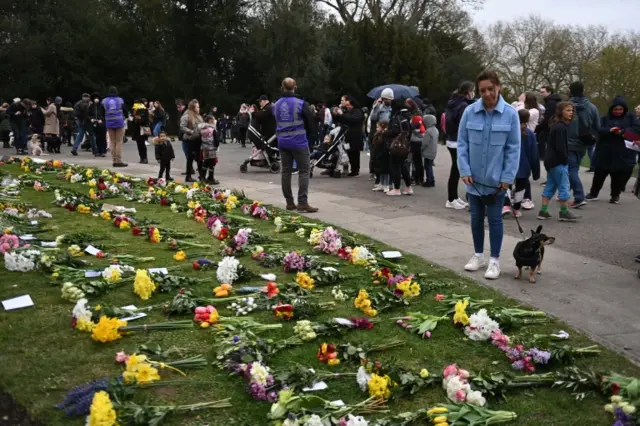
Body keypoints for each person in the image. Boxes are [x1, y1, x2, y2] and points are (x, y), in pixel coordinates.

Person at [457, 69, 520, 280]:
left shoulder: (510, 114)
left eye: (490, 89)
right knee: (475, 219)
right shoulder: (469, 112)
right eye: (482, 90)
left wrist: (507, 178)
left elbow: (513, 148)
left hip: (496, 182)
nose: (486, 94)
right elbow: (462, 143)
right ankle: (478, 255)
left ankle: (494, 260)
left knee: (495, 220)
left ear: (498, 87)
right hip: (473, 180)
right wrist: (464, 169)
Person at [274, 77, 318, 213]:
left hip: (282, 142)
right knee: (304, 171)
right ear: (295, 87)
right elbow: (310, 122)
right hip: (299, 141)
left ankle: (289, 202)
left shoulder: (276, 105)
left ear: (282, 87)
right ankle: (302, 203)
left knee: (286, 172)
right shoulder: (300, 103)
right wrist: (310, 139)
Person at [585, 96, 637, 204]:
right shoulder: (605, 118)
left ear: (624, 109)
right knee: (599, 174)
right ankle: (593, 193)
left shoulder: (631, 118)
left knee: (618, 175)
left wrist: (622, 132)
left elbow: (636, 130)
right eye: (615, 109)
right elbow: (598, 129)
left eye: (620, 109)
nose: (618, 112)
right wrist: (610, 130)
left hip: (622, 151)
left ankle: (615, 195)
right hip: (605, 151)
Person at [537, 102, 580, 222]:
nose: (571, 112)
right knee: (564, 186)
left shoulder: (556, 126)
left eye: (572, 110)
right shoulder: (561, 127)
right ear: (561, 112)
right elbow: (560, 147)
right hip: (558, 162)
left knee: (551, 185)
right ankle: (564, 212)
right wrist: (565, 160)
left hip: (550, 162)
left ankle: (543, 211)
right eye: (567, 110)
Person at [502, 109, 540, 217]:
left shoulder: (509, 131)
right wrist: (535, 171)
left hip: (509, 163)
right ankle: (516, 208)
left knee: (506, 185)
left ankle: (505, 205)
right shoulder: (530, 134)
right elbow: (534, 154)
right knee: (521, 188)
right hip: (524, 166)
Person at [567, 81, 599, 208]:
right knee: (574, 169)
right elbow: (597, 126)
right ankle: (566, 192)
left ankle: (579, 197)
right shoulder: (592, 107)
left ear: (570, 91)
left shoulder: (566, 107)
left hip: (568, 142)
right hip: (583, 142)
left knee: (571, 170)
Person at [445, 81, 475, 210]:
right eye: (473, 91)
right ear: (468, 92)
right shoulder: (463, 105)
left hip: (451, 139)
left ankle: (454, 197)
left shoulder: (453, 102)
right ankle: (451, 199)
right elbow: (464, 125)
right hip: (457, 140)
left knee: (455, 170)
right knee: (456, 171)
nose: (474, 94)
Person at [385, 99, 413, 196]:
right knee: (403, 166)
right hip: (405, 144)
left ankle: (396, 189)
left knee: (396, 166)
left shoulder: (397, 117)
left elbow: (394, 131)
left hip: (396, 145)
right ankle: (408, 187)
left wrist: (386, 132)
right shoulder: (408, 115)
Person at [332, 94, 364, 177]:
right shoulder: (346, 111)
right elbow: (340, 120)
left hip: (355, 135)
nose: (341, 102)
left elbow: (353, 120)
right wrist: (336, 114)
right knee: (348, 152)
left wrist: (342, 114)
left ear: (348, 101)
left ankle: (355, 170)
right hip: (346, 135)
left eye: (342, 100)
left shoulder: (357, 111)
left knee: (354, 153)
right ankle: (347, 169)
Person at [102, 86, 128, 167]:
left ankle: (114, 160)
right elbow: (125, 110)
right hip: (119, 122)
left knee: (112, 142)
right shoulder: (120, 100)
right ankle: (118, 161)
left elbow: (102, 112)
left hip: (109, 122)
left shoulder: (104, 101)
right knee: (119, 141)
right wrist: (125, 117)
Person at [180, 99, 204, 182]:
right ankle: (188, 176)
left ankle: (201, 176)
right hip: (189, 140)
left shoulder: (199, 116)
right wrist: (191, 132)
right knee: (190, 159)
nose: (199, 108)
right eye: (197, 107)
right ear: (193, 107)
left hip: (198, 140)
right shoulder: (186, 116)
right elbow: (182, 127)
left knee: (199, 159)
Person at [407, 98, 425, 185]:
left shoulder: (416, 115)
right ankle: (418, 178)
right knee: (417, 160)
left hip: (415, 140)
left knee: (415, 160)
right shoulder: (417, 113)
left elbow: (416, 127)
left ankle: (416, 177)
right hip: (417, 139)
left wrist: (412, 127)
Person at [199, 115, 219, 184]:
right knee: (212, 163)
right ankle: (211, 178)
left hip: (205, 148)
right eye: (213, 120)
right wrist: (217, 146)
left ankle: (202, 177)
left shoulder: (202, 129)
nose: (214, 121)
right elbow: (216, 140)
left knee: (205, 162)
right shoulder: (212, 129)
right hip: (212, 148)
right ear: (210, 121)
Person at [372, 121, 391, 192]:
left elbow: (383, 144)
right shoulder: (378, 134)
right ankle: (381, 183)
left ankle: (386, 185)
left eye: (378, 127)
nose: (376, 129)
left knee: (385, 171)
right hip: (379, 153)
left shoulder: (385, 134)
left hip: (384, 154)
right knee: (380, 170)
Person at [87, 92, 106, 157]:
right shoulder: (91, 106)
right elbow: (88, 115)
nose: (96, 99)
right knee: (97, 138)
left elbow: (104, 114)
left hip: (102, 124)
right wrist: (91, 119)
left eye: (97, 98)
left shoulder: (102, 106)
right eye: (95, 98)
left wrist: (102, 119)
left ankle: (103, 151)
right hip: (94, 124)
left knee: (102, 138)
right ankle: (97, 151)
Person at [131, 99, 150, 163]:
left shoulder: (144, 109)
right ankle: (141, 157)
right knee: (138, 144)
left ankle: (145, 158)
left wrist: (138, 118)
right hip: (136, 129)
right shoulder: (134, 110)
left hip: (142, 129)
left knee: (142, 144)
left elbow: (144, 119)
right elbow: (133, 120)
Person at [421, 114, 438, 187]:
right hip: (433, 151)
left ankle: (429, 181)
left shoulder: (428, 131)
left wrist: (421, 149)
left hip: (428, 151)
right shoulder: (435, 130)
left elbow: (425, 143)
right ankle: (432, 180)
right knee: (429, 166)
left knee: (427, 167)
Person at [175, 99, 188, 174]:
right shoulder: (181, 113)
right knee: (187, 152)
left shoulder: (185, 113)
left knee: (188, 152)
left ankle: (190, 169)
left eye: (180, 106)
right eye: (177, 107)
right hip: (183, 135)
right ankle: (190, 168)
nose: (178, 108)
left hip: (186, 135)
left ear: (184, 105)